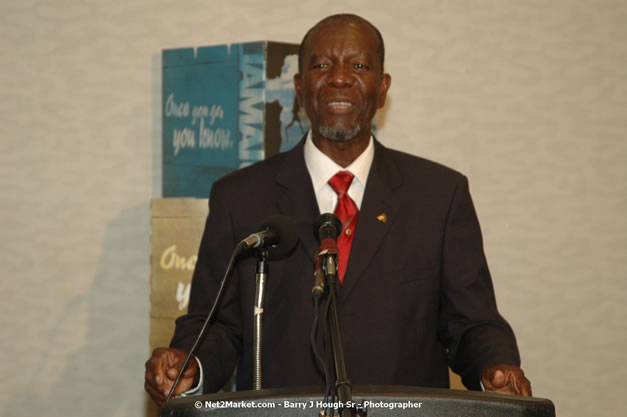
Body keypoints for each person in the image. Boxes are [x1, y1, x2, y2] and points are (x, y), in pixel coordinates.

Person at [145, 14, 532, 406]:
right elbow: (216, 327)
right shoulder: (239, 198)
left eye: (359, 66)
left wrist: (494, 368)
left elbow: (473, 324)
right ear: (300, 87)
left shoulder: (439, 195)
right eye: (321, 65)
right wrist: (189, 367)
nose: (340, 77)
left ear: (382, 89)